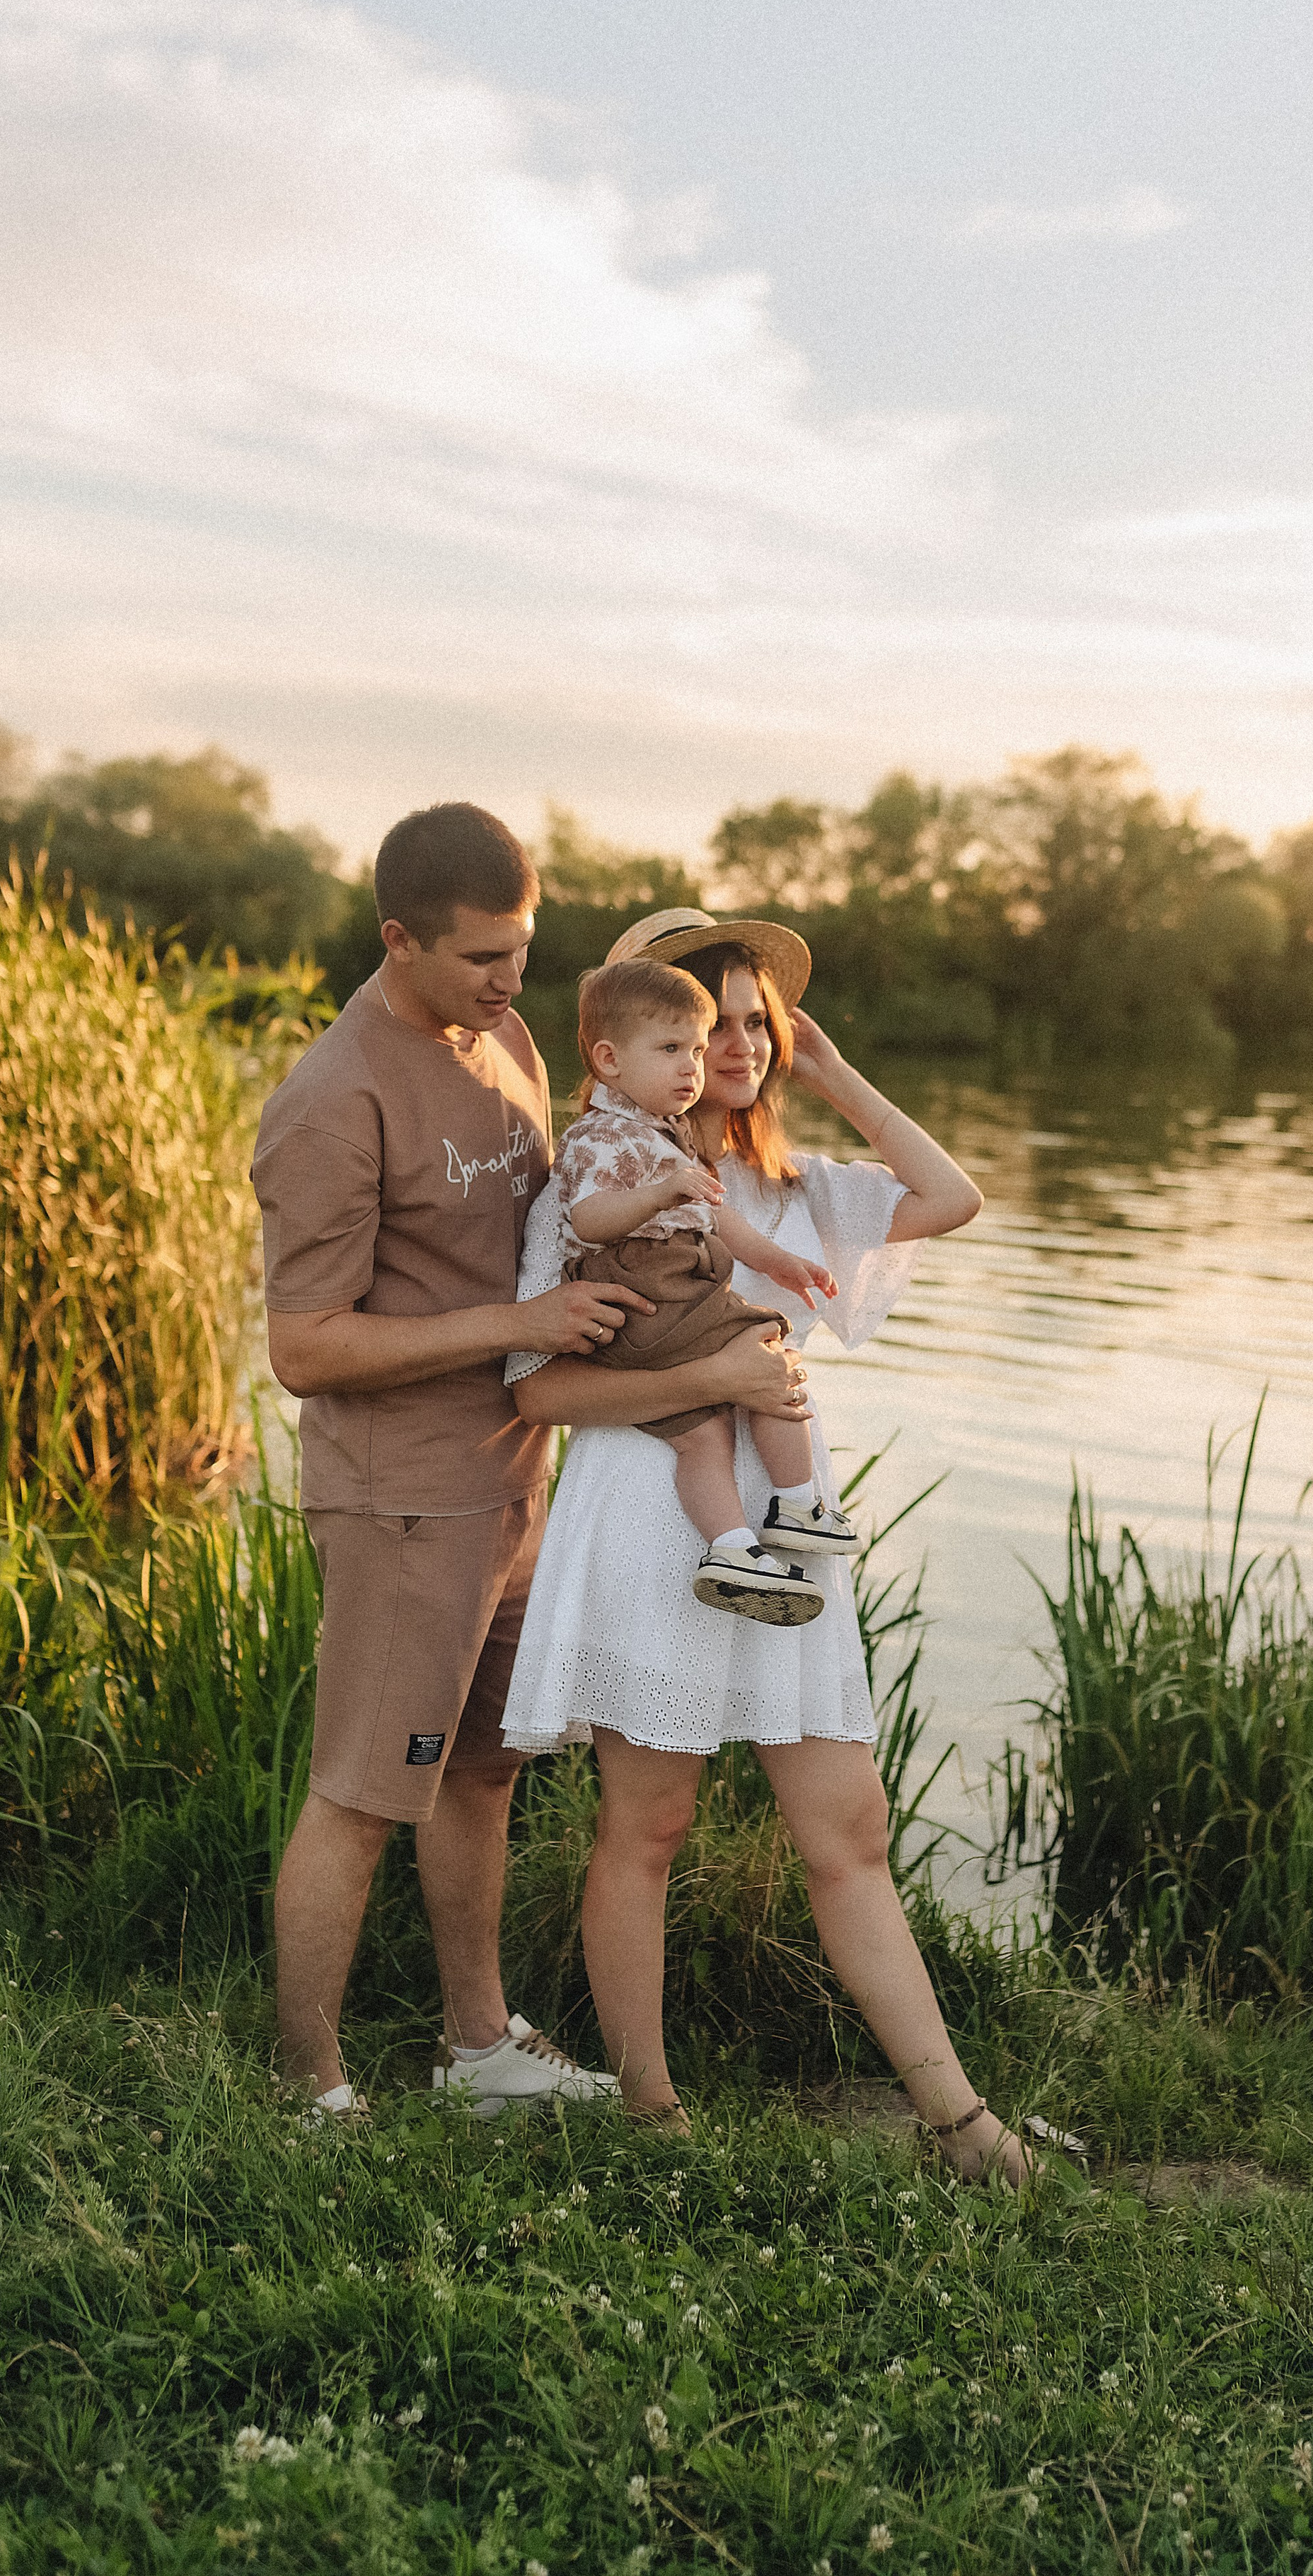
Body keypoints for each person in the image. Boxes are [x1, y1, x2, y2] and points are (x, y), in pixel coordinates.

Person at [252, 823, 804, 2120]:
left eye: (525, 953)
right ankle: (309, 2088)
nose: (512, 983)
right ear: (401, 940)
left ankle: (476, 2041)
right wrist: (521, 1330)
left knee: (484, 1767)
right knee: (362, 1790)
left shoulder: (504, 1039)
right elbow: (300, 1345)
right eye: (484, 957)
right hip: (401, 1490)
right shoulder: (335, 1099)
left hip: (516, 1473)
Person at [501, 909, 1047, 2186]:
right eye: (710, 1018)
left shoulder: (795, 1194)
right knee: (649, 1822)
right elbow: (535, 1394)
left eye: (756, 1020)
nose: (732, 1043)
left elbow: (952, 1195)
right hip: (648, 1516)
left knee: (847, 1820)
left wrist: (833, 1071)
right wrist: (714, 1365)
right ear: (641, 1038)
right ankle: (652, 2111)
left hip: (789, 1537)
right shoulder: (594, 1177)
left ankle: (959, 2120)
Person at [555, 953, 861, 1626]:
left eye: (695, 1049)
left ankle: (730, 1548)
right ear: (609, 1061)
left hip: (662, 1301)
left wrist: (780, 1260)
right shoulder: (602, 1136)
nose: (694, 1065)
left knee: (704, 1437)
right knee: (764, 1342)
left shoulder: (664, 1136)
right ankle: (796, 1503)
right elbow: (585, 1219)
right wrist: (662, 1188)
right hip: (645, 1292)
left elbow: (721, 1216)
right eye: (676, 1048)